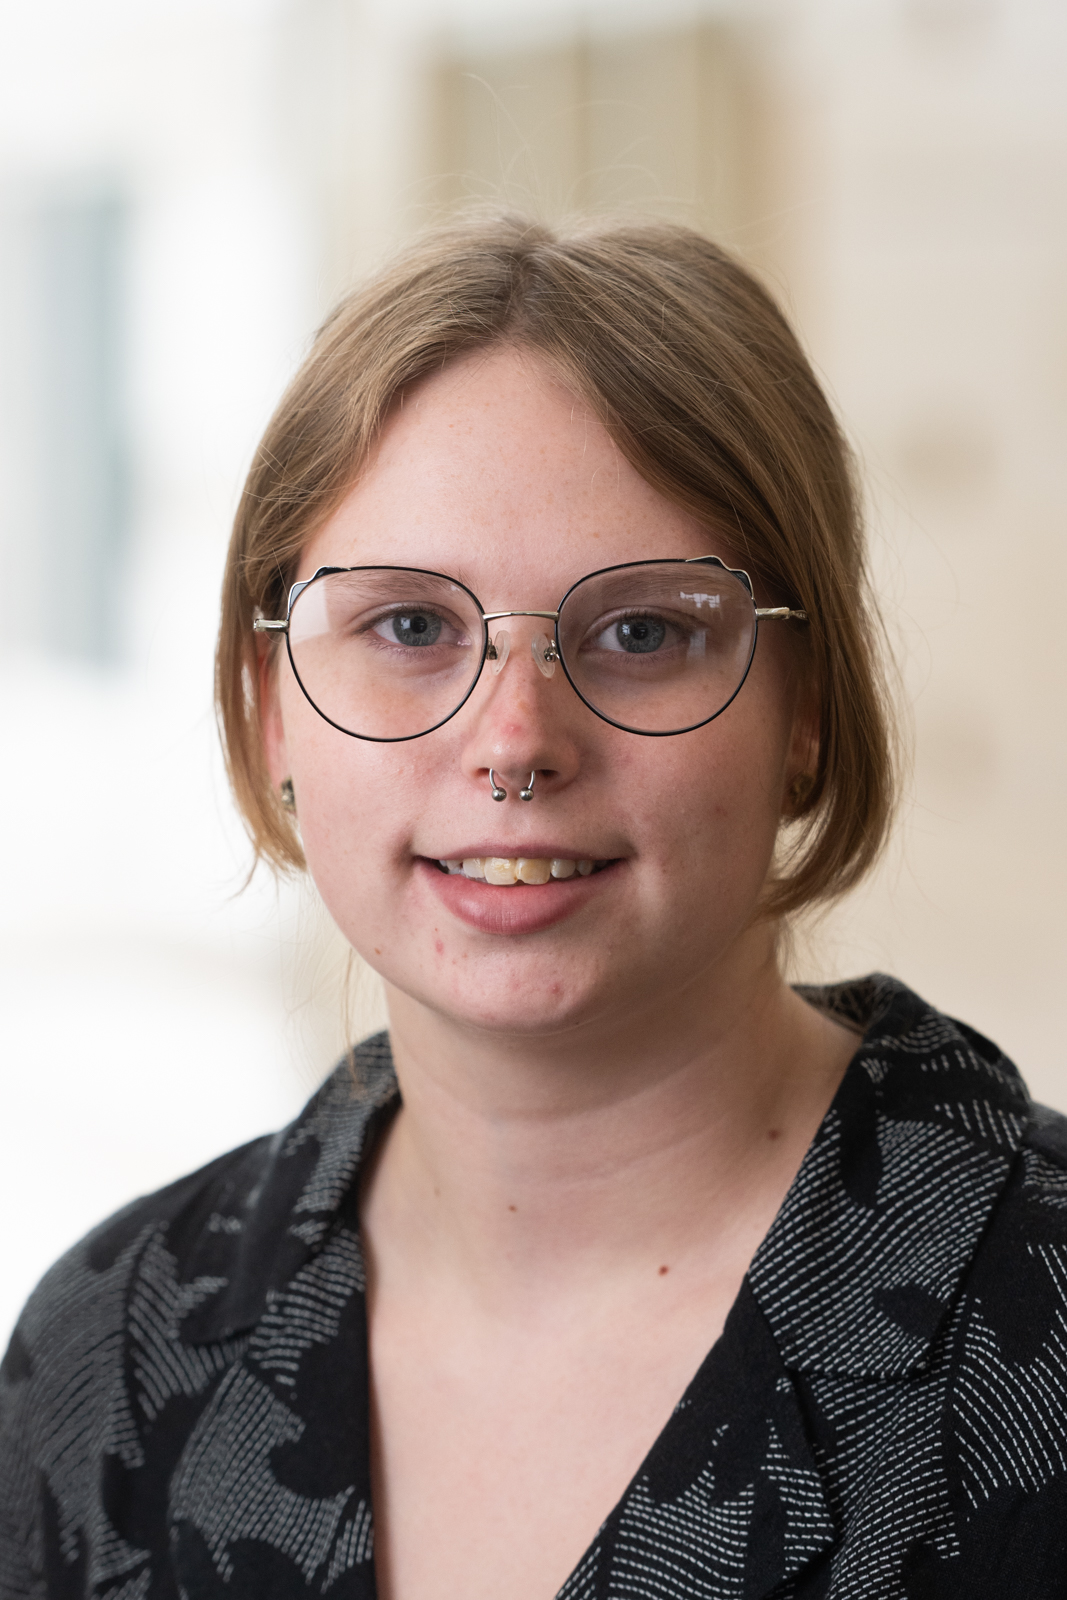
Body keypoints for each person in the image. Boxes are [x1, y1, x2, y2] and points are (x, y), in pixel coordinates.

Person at [2, 216, 1066, 1600]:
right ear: (272, 709)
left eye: (642, 633)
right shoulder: (112, 1356)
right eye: (407, 627)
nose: (514, 739)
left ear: (805, 709)